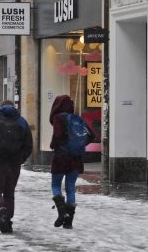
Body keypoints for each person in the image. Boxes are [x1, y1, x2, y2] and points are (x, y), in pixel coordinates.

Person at [0, 99, 33, 234]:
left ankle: (1, 210)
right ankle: (7, 221)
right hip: (13, 163)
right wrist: (21, 159)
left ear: (1, 107)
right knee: (9, 193)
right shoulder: (21, 121)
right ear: (13, 107)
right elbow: (28, 145)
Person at [49, 94, 95, 230]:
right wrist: (78, 144)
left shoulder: (58, 118)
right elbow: (91, 135)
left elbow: (57, 136)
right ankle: (69, 221)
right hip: (76, 158)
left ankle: (62, 212)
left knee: (56, 185)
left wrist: (53, 145)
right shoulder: (77, 119)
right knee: (70, 188)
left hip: (61, 157)